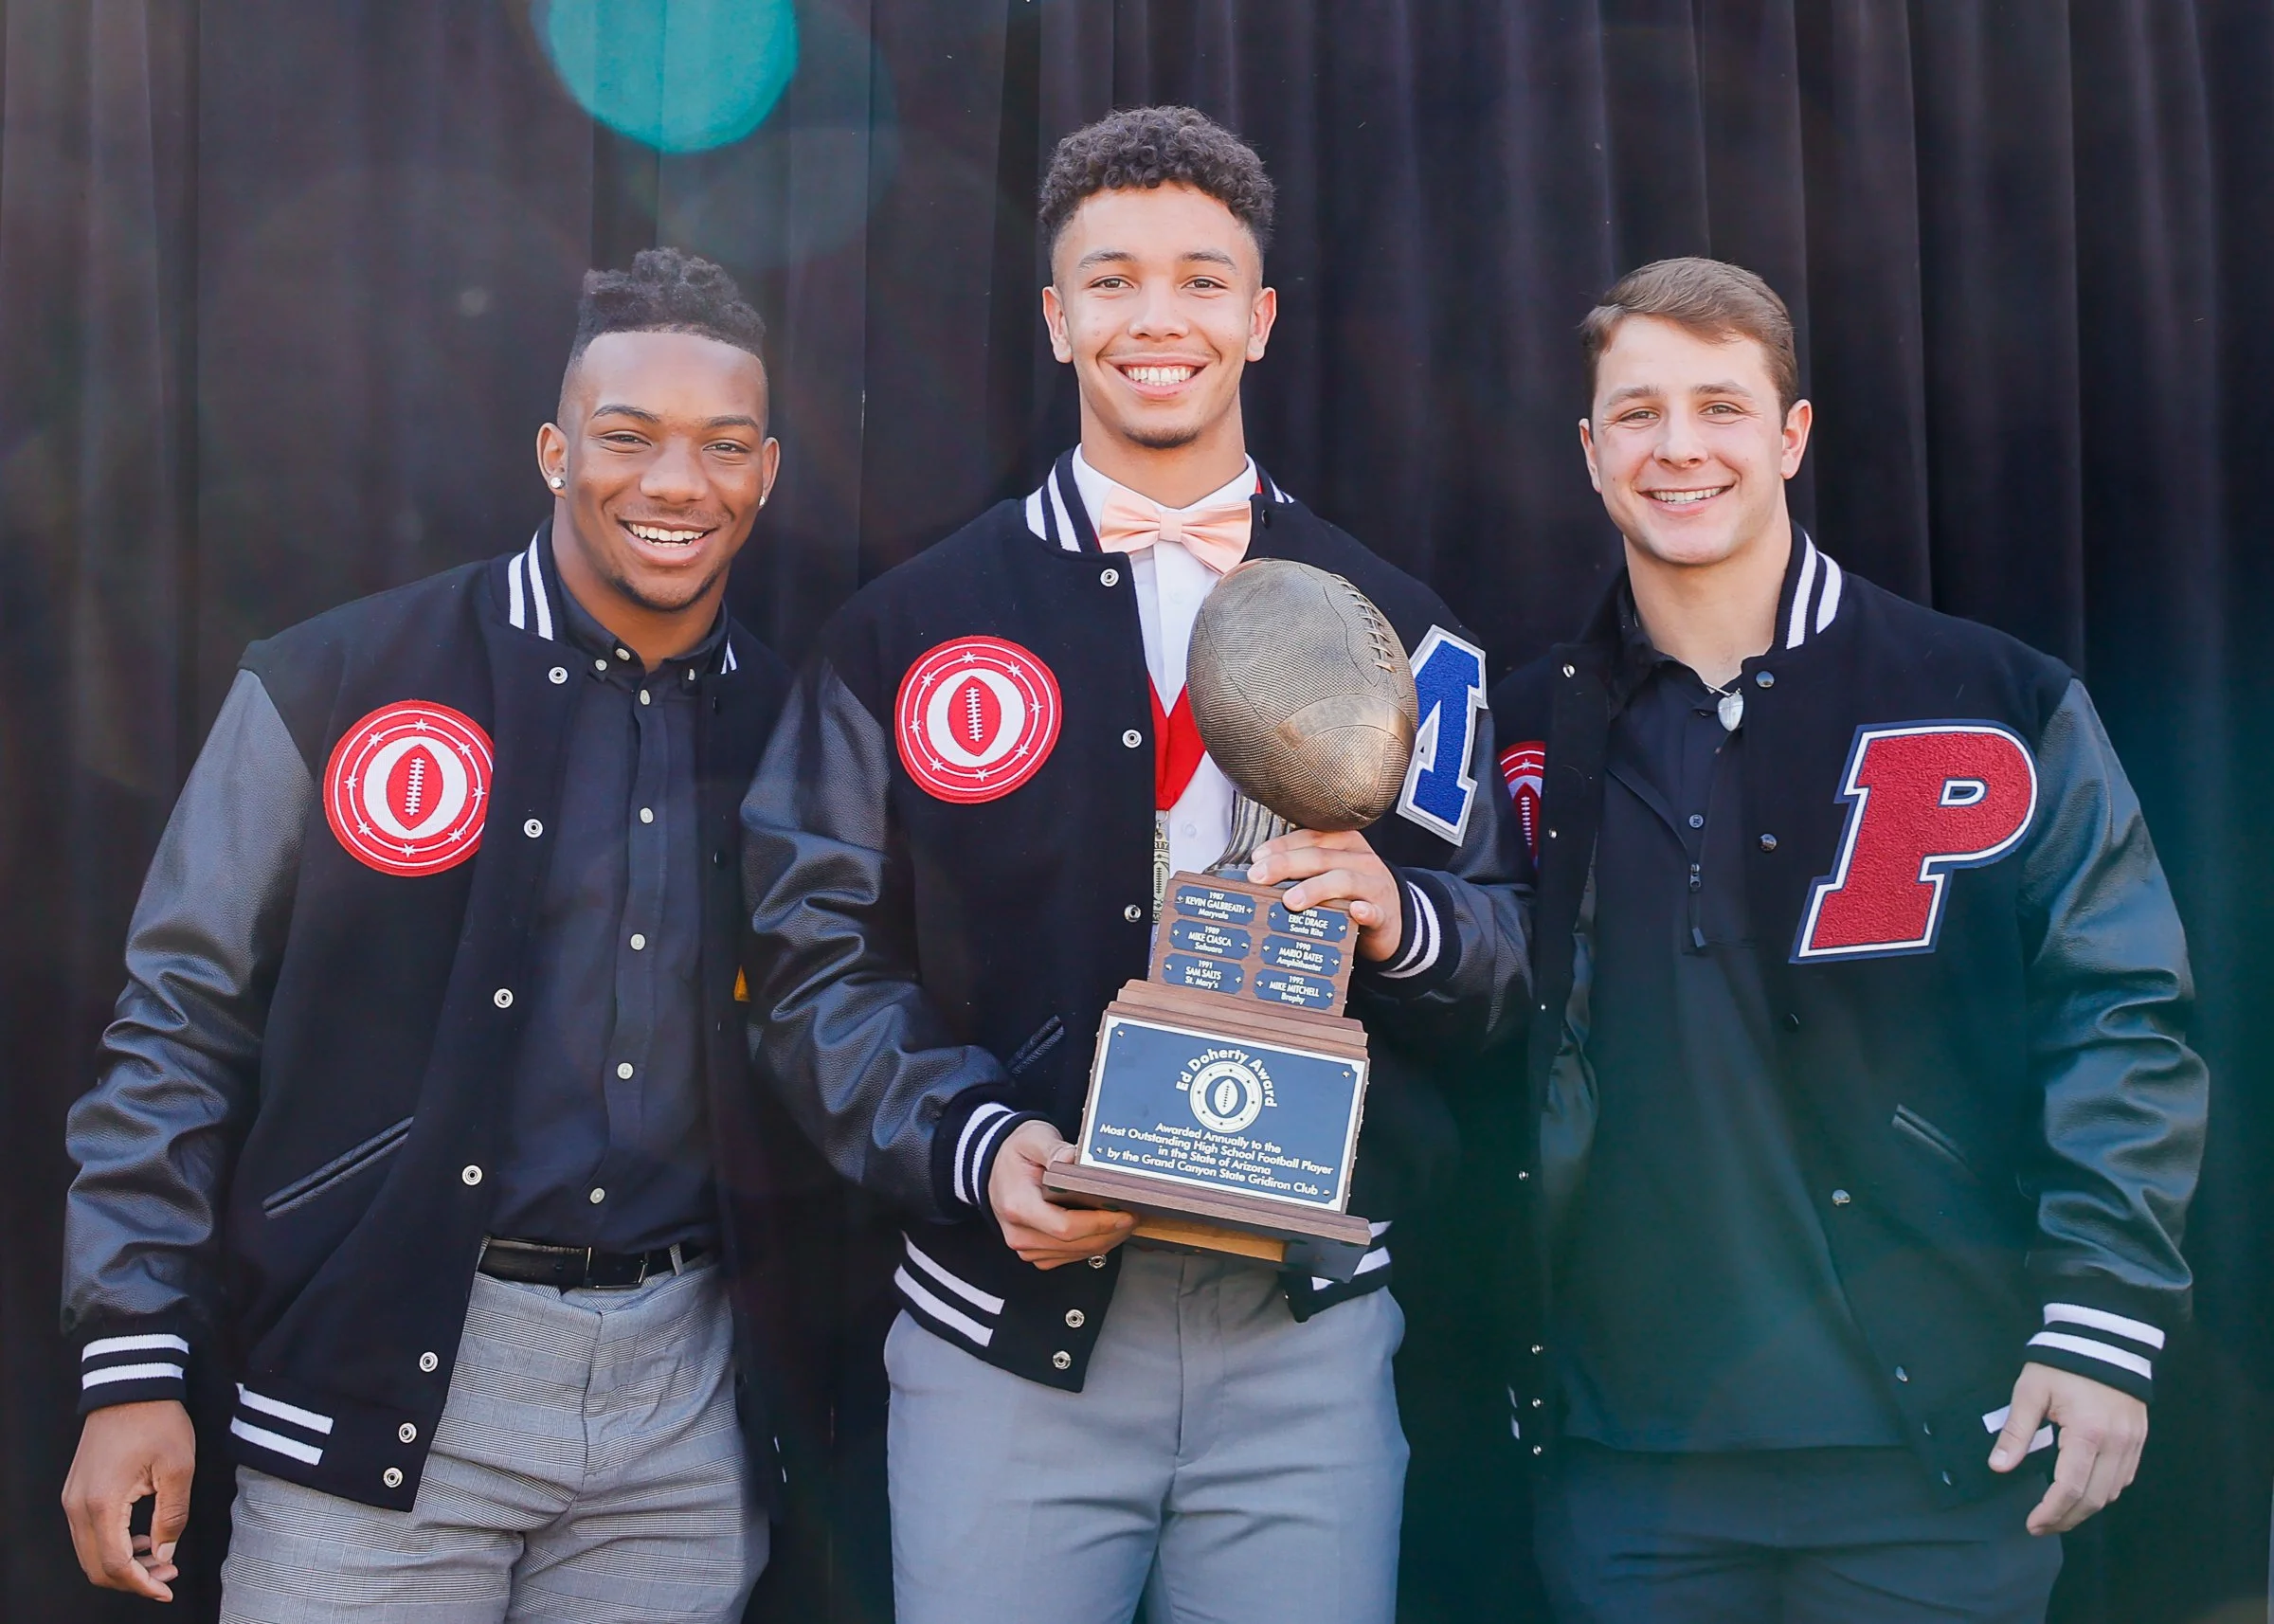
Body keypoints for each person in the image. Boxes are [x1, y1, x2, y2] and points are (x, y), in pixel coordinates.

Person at [740, 106, 1531, 1624]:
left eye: (1199, 278)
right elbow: (808, 963)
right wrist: (977, 1147)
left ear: (1260, 316)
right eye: (1110, 280)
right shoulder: (909, 626)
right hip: (1005, 1334)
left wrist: (1409, 922)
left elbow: (1507, 944)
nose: (1155, 318)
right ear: (1054, 317)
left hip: (1302, 1338)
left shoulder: (1397, 620)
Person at [60, 247, 793, 1622]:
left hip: (681, 1415)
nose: (675, 483)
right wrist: (134, 1361)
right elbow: (178, 1019)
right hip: (383, 1379)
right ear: (553, 449)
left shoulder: (797, 725)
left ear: (766, 471)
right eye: (627, 436)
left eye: (723, 444)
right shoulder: (338, 679)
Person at [1490, 256, 2208, 1622]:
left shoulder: (1991, 695)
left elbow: (2121, 1011)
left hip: (1944, 1445)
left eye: (1721, 405)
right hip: (1629, 1461)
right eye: (1636, 414)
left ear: (1792, 434)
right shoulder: (1519, 728)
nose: (1679, 446)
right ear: (1590, 453)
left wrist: (2105, 1321)